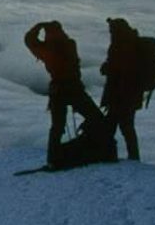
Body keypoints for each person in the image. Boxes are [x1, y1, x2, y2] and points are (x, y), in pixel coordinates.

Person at [23, 20, 106, 156]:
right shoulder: (69, 44)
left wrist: (37, 27)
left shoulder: (47, 48)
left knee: (57, 126)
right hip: (74, 88)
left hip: (58, 90)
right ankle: (94, 147)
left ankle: (53, 158)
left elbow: (29, 40)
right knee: (95, 117)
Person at [100, 16, 149, 161]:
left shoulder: (123, 46)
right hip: (128, 95)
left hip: (122, 96)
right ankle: (131, 156)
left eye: (111, 30)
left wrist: (107, 69)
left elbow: (122, 71)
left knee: (117, 127)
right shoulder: (127, 43)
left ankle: (113, 156)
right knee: (124, 127)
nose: (110, 33)